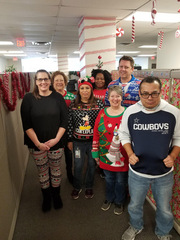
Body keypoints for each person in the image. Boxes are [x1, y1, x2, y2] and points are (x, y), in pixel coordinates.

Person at [119, 76, 180, 240]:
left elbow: (178, 138)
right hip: (138, 171)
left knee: (164, 208)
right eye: (145, 94)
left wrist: (173, 156)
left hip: (163, 172)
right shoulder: (130, 112)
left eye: (154, 93)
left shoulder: (173, 112)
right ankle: (135, 226)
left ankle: (163, 232)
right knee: (135, 205)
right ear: (139, 93)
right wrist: (130, 154)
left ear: (161, 92)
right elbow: (123, 134)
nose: (150, 98)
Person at [21, 69, 68, 212]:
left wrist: (56, 139)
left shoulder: (57, 98)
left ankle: (56, 195)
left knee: (55, 170)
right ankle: (46, 197)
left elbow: (64, 122)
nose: (43, 82)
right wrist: (38, 144)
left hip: (56, 142)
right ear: (35, 82)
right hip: (37, 144)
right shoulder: (28, 98)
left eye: (46, 79)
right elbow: (26, 125)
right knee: (42, 171)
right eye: (40, 79)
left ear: (50, 80)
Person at [92, 85, 129, 215]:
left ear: (121, 97)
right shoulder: (102, 113)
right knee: (108, 179)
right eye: (112, 96)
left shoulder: (127, 113)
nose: (115, 99)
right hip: (105, 154)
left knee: (121, 180)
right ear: (108, 98)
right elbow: (96, 133)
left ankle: (119, 201)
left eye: (117, 96)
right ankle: (109, 198)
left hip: (123, 155)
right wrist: (95, 152)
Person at [67, 77, 104, 200]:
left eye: (87, 88)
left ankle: (89, 186)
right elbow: (70, 123)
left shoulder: (98, 104)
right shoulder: (73, 104)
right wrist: (69, 140)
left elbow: (101, 122)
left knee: (91, 165)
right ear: (79, 90)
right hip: (78, 142)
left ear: (91, 90)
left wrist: (100, 141)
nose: (85, 91)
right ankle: (77, 186)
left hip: (93, 142)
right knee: (78, 165)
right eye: (82, 88)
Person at [52, 70, 75, 184]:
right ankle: (53, 177)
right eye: (57, 80)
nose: (59, 82)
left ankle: (69, 174)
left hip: (67, 131)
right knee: (54, 156)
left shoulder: (71, 96)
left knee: (69, 155)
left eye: (61, 80)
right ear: (53, 82)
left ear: (65, 82)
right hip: (53, 131)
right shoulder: (49, 96)